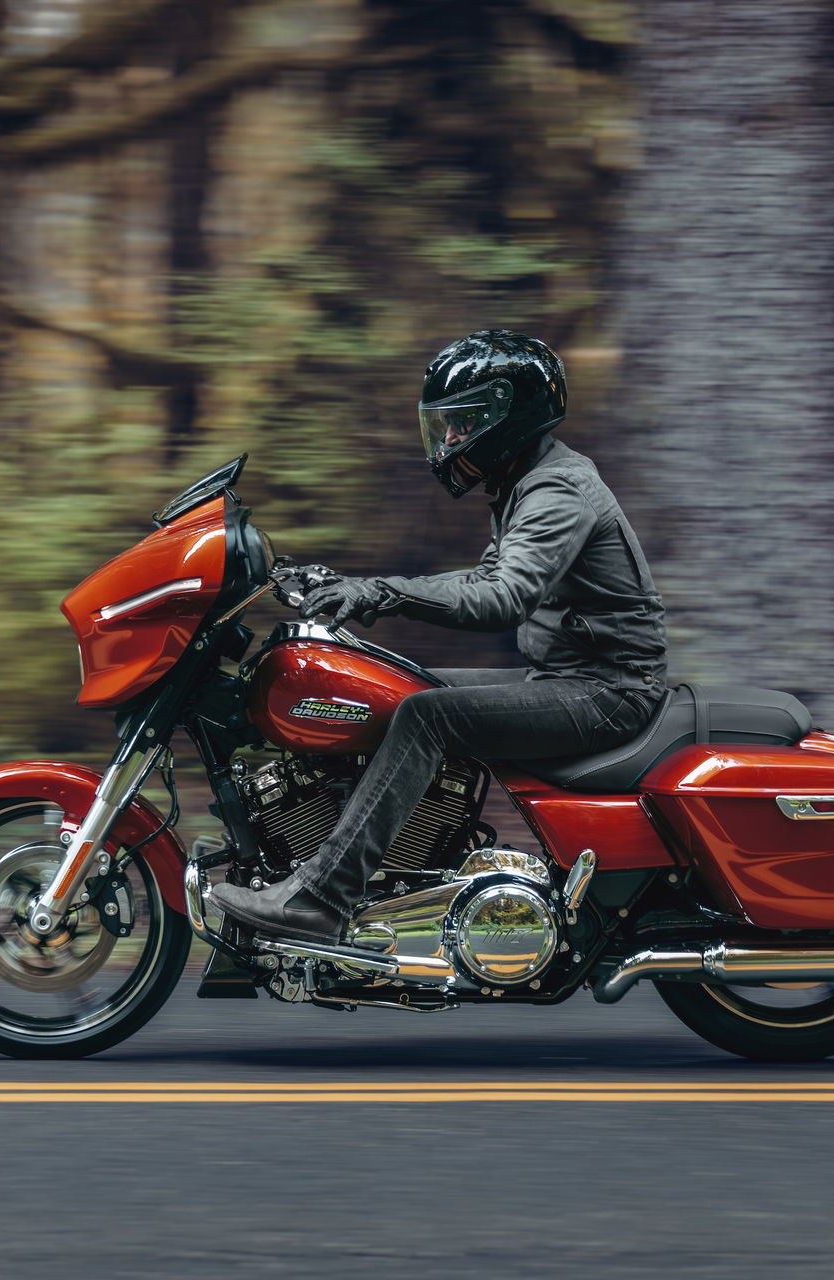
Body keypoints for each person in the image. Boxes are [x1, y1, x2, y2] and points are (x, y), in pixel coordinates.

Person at [209, 329, 668, 941]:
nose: (449, 439)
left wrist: (380, 592)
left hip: (608, 692)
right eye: (445, 425)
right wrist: (341, 580)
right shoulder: (525, 481)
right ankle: (398, 873)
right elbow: (485, 575)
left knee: (427, 716)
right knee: (398, 691)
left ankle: (323, 896)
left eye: (462, 423)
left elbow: (502, 597)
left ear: (508, 416)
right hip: (571, 680)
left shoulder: (557, 489)